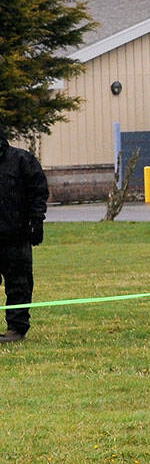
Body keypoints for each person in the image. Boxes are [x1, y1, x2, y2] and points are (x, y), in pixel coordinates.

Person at [0, 135, 48, 343]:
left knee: (19, 284)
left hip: (15, 236)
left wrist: (36, 223)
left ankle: (16, 329)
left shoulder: (22, 161)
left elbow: (38, 193)